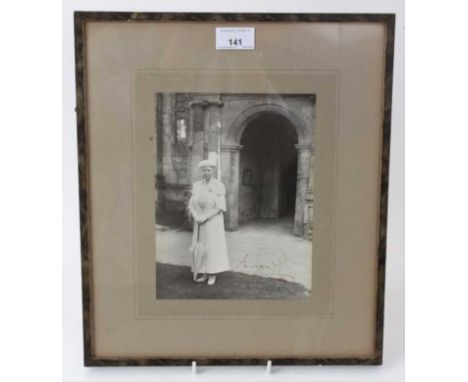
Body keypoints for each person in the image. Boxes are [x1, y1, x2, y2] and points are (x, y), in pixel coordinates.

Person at [188, 159, 230, 285]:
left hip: (212, 221)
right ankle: (204, 272)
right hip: (199, 222)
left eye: (208, 170)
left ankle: (212, 273)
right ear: (201, 171)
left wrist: (205, 217)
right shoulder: (196, 185)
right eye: (204, 170)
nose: (206, 172)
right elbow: (191, 204)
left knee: (212, 246)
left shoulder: (218, 186)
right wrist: (196, 216)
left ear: (213, 171)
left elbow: (220, 207)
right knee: (201, 246)